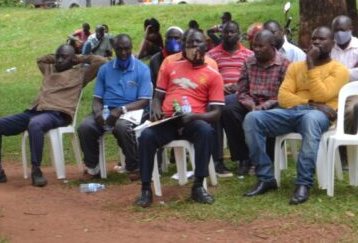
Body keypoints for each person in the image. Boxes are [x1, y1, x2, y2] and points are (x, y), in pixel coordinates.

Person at [0, 45, 107, 187]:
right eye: (58, 56)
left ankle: (36, 170)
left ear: (73, 59)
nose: (59, 60)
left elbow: (102, 61)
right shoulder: (49, 69)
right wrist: (59, 57)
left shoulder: (81, 74)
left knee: (35, 124)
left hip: (57, 113)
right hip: (34, 111)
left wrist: (78, 58)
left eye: (64, 57)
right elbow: (40, 59)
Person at [243, 27, 349, 205]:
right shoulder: (295, 67)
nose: (316, 42)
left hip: (319, 116)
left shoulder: (339, 70)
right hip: (293, 111)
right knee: (253, 119)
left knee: (309, 119)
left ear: (333, 43)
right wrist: (311, 103)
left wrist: (311, 64)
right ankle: (265, 177)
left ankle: (303, 183)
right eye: (314, 39)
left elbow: (322, 95)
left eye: (322, 39)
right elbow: (283, 97)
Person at [135, 29, 225, 207]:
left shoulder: (213, 75)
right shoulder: (170, 67)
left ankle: (198, 186)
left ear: (206, 46)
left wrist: (194, 116)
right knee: (146, 136)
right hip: (168, 120)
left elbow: (216, 113)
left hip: (193, 121)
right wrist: (155, 108)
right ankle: (145, 189)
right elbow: (157, 97)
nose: (193, 46)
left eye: (198, 42)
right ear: (183, 47)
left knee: (206, 132)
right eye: (189, 43)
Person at [78, 34, 152, 179]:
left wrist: (120, 110)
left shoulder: (142, 69)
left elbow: (144, 101)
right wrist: (98, 113)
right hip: (107, 110)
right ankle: (92, 168)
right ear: (114, 49)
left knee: (122, 126)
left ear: (131, 48)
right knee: (85, 127)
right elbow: (97, 99)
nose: (123, 53)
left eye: (127, 49)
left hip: (133, 110)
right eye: (119, 49)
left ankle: (134, 167)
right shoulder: (105, 69)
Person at [221, 30, 290, 176]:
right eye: (254, 46)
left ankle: (266, 159)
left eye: (260, 46)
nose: (256, 49)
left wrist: (262, 107)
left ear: (272, 46)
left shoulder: (285, 64)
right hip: (251, 102)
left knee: (277, 110)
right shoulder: (249, 62)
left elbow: (284, 95)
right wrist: (251, 104)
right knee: (228, 106)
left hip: (273, 103)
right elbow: (242, 90)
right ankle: (243, 158)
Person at [206, 21, 254, 177]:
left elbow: (253, 78)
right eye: (226, 32)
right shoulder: (211, 55)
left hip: (242, 95)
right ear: (221, 34)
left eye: (232, 32)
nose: (229, 35)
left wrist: (239, 87)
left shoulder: (249, 55)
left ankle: (243, 158)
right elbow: (206, 78)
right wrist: (220, 87)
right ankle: (218, 160)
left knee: (229, 109)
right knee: (215, 110)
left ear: (239, 34)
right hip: (218, 95)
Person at [330, 15, 358, 134]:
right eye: (335, 30)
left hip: (354, 92)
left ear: (351, 29)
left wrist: (338, 73)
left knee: (351, 111)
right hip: (330, 92)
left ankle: (346, 141)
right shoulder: (329, 47)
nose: (339, 34)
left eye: (342, 30)